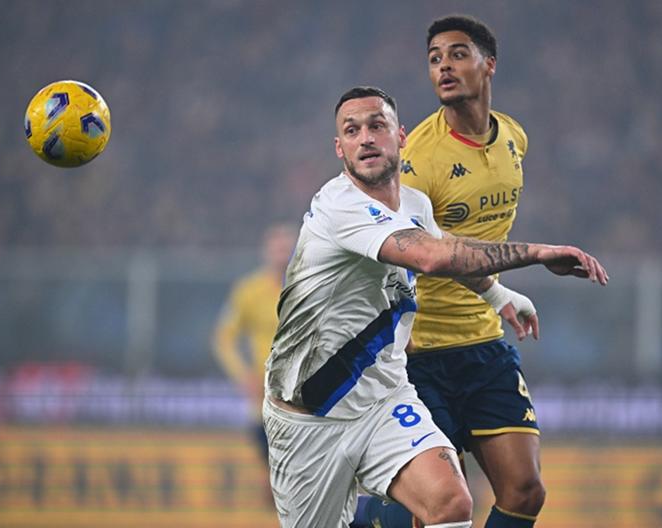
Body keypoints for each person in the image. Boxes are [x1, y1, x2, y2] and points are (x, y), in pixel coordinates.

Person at [262, 86, 608, 528]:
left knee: (451, 503)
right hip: (310, 417)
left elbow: (443, 245)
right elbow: (430, 257)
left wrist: (497, 295)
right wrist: (538, 253)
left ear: (401, 136)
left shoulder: (415, 204)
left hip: (383, 400)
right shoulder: (339, 206)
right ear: (339, 147)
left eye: (377, 125)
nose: (365, 138)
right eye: (352, 130)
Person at [384, 15, 549, 528]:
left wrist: (498, 300)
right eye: (435, 58)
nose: (444, 67)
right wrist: (501, 288)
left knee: (525, 492)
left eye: (457, 54)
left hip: (483, 345)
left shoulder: (514, 138)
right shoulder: (418, 158)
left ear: (489, 64)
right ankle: (361, 515)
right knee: (441, 508)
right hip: (421, 353)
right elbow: (431, 253)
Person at [212, 223, 297, 485]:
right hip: (265, 391)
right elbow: (223, 338)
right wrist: (243, 376)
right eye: (277, 248)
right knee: (271, 467)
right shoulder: (249, 290)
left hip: (303, 387)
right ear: (266, 251)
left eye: (287, 248)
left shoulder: (308, 287)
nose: (282, 254)